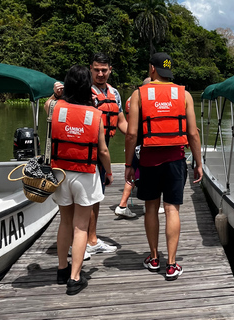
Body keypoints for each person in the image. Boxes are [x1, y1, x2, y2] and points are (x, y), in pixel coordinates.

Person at [124, 52, 202, 281]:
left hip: (148, 159)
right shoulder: (184, 94)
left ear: (152, 69)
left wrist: (129, 164)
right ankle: (171, 264)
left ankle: (154, 257)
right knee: (172, 209)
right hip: (176, 160)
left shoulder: (139, 94)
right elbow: (193, 134)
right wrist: (197, 163)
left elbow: (131, 134)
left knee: (151, 208)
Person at [46, 65, 113, 295]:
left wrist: (57, 94)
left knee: (65, 222)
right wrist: (109, 172)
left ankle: (62, 270)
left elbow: (48, 104)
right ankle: (75, 278)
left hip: (60, 173)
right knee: (80, 226)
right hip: (84, 173)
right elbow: (103, 151)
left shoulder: (55, 107)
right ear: (88, 86)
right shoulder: (95, 115)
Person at [87, 52, 127, 254]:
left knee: (96, 197)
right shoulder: (84, 91)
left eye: (104, 70)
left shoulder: (115, 93)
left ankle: (91, 240)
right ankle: (85, 241)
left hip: (103, 150)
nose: (100, 73)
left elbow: (121, 122)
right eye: (97, 70)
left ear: (110, 70)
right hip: (85, 151)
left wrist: (142, 135)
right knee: (86, 198)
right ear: (91, 69)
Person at [115, 77, 151, 218]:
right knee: (147, 174)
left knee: (134, 174)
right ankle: (147, 205)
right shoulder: (144, 100)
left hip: (132, 141)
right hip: (143, 142)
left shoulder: (131, 99)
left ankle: (123, 204)